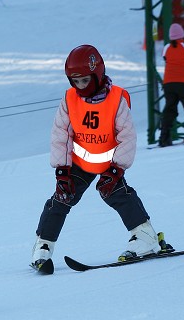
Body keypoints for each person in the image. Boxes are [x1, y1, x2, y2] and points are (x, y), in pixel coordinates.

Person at [30, 45, 172, 272]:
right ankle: (43, 247)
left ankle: (146, 236)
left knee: (116, 194)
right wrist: (62, 170)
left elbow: (127, 136)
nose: (80, 86)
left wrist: (116, 169)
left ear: (97, 75)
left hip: (110, 164)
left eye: (85, 81)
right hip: (79, 163)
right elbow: (61, 134)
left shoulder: (116, 99)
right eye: (75, 81)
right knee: (61, 198)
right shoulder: (69, 99)